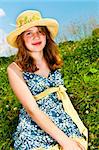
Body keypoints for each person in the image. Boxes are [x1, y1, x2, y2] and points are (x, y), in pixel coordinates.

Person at [7, 10, 88, 150]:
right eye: (29, 33)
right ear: (21, 40)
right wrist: (65, 141)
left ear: (46, 35)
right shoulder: (15, 69)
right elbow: (32, 110)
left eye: (40, 31)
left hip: (61, 117)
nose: (36, 36)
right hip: (35, 123)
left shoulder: (52, 60)